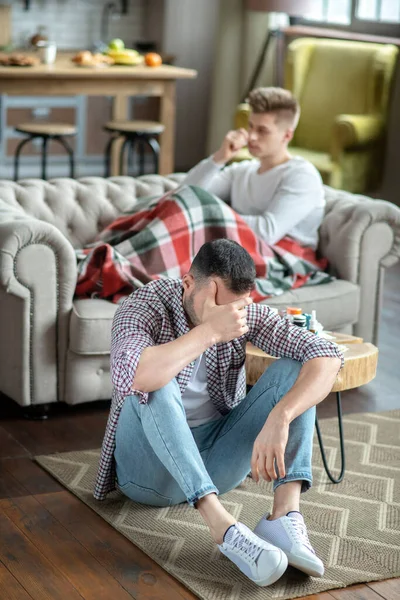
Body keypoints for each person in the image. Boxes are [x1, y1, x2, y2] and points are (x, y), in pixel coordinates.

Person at [94, 239, 343, 587]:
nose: (230, 317)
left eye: (235, 309)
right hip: (148, 476)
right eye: (217, 306)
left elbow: (327, 354)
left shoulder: (240, 313)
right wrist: (209, 331)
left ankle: (283, 515)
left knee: (294, 368)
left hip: (217, 464)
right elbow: (134, 375)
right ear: (187, 284)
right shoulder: (144, 305)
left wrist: (281, 417)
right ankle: (223, 528)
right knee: (156, 380)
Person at [183, 87, 324, 250]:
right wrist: (220, 157)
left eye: (262, 130)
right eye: (251, 126)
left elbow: (268, 232)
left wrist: (208, 214)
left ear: (287, 135)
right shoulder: (242, 171)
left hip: (284, 256)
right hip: (238, 249)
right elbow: (185, 195)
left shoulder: (302, 175)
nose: (252, 136)